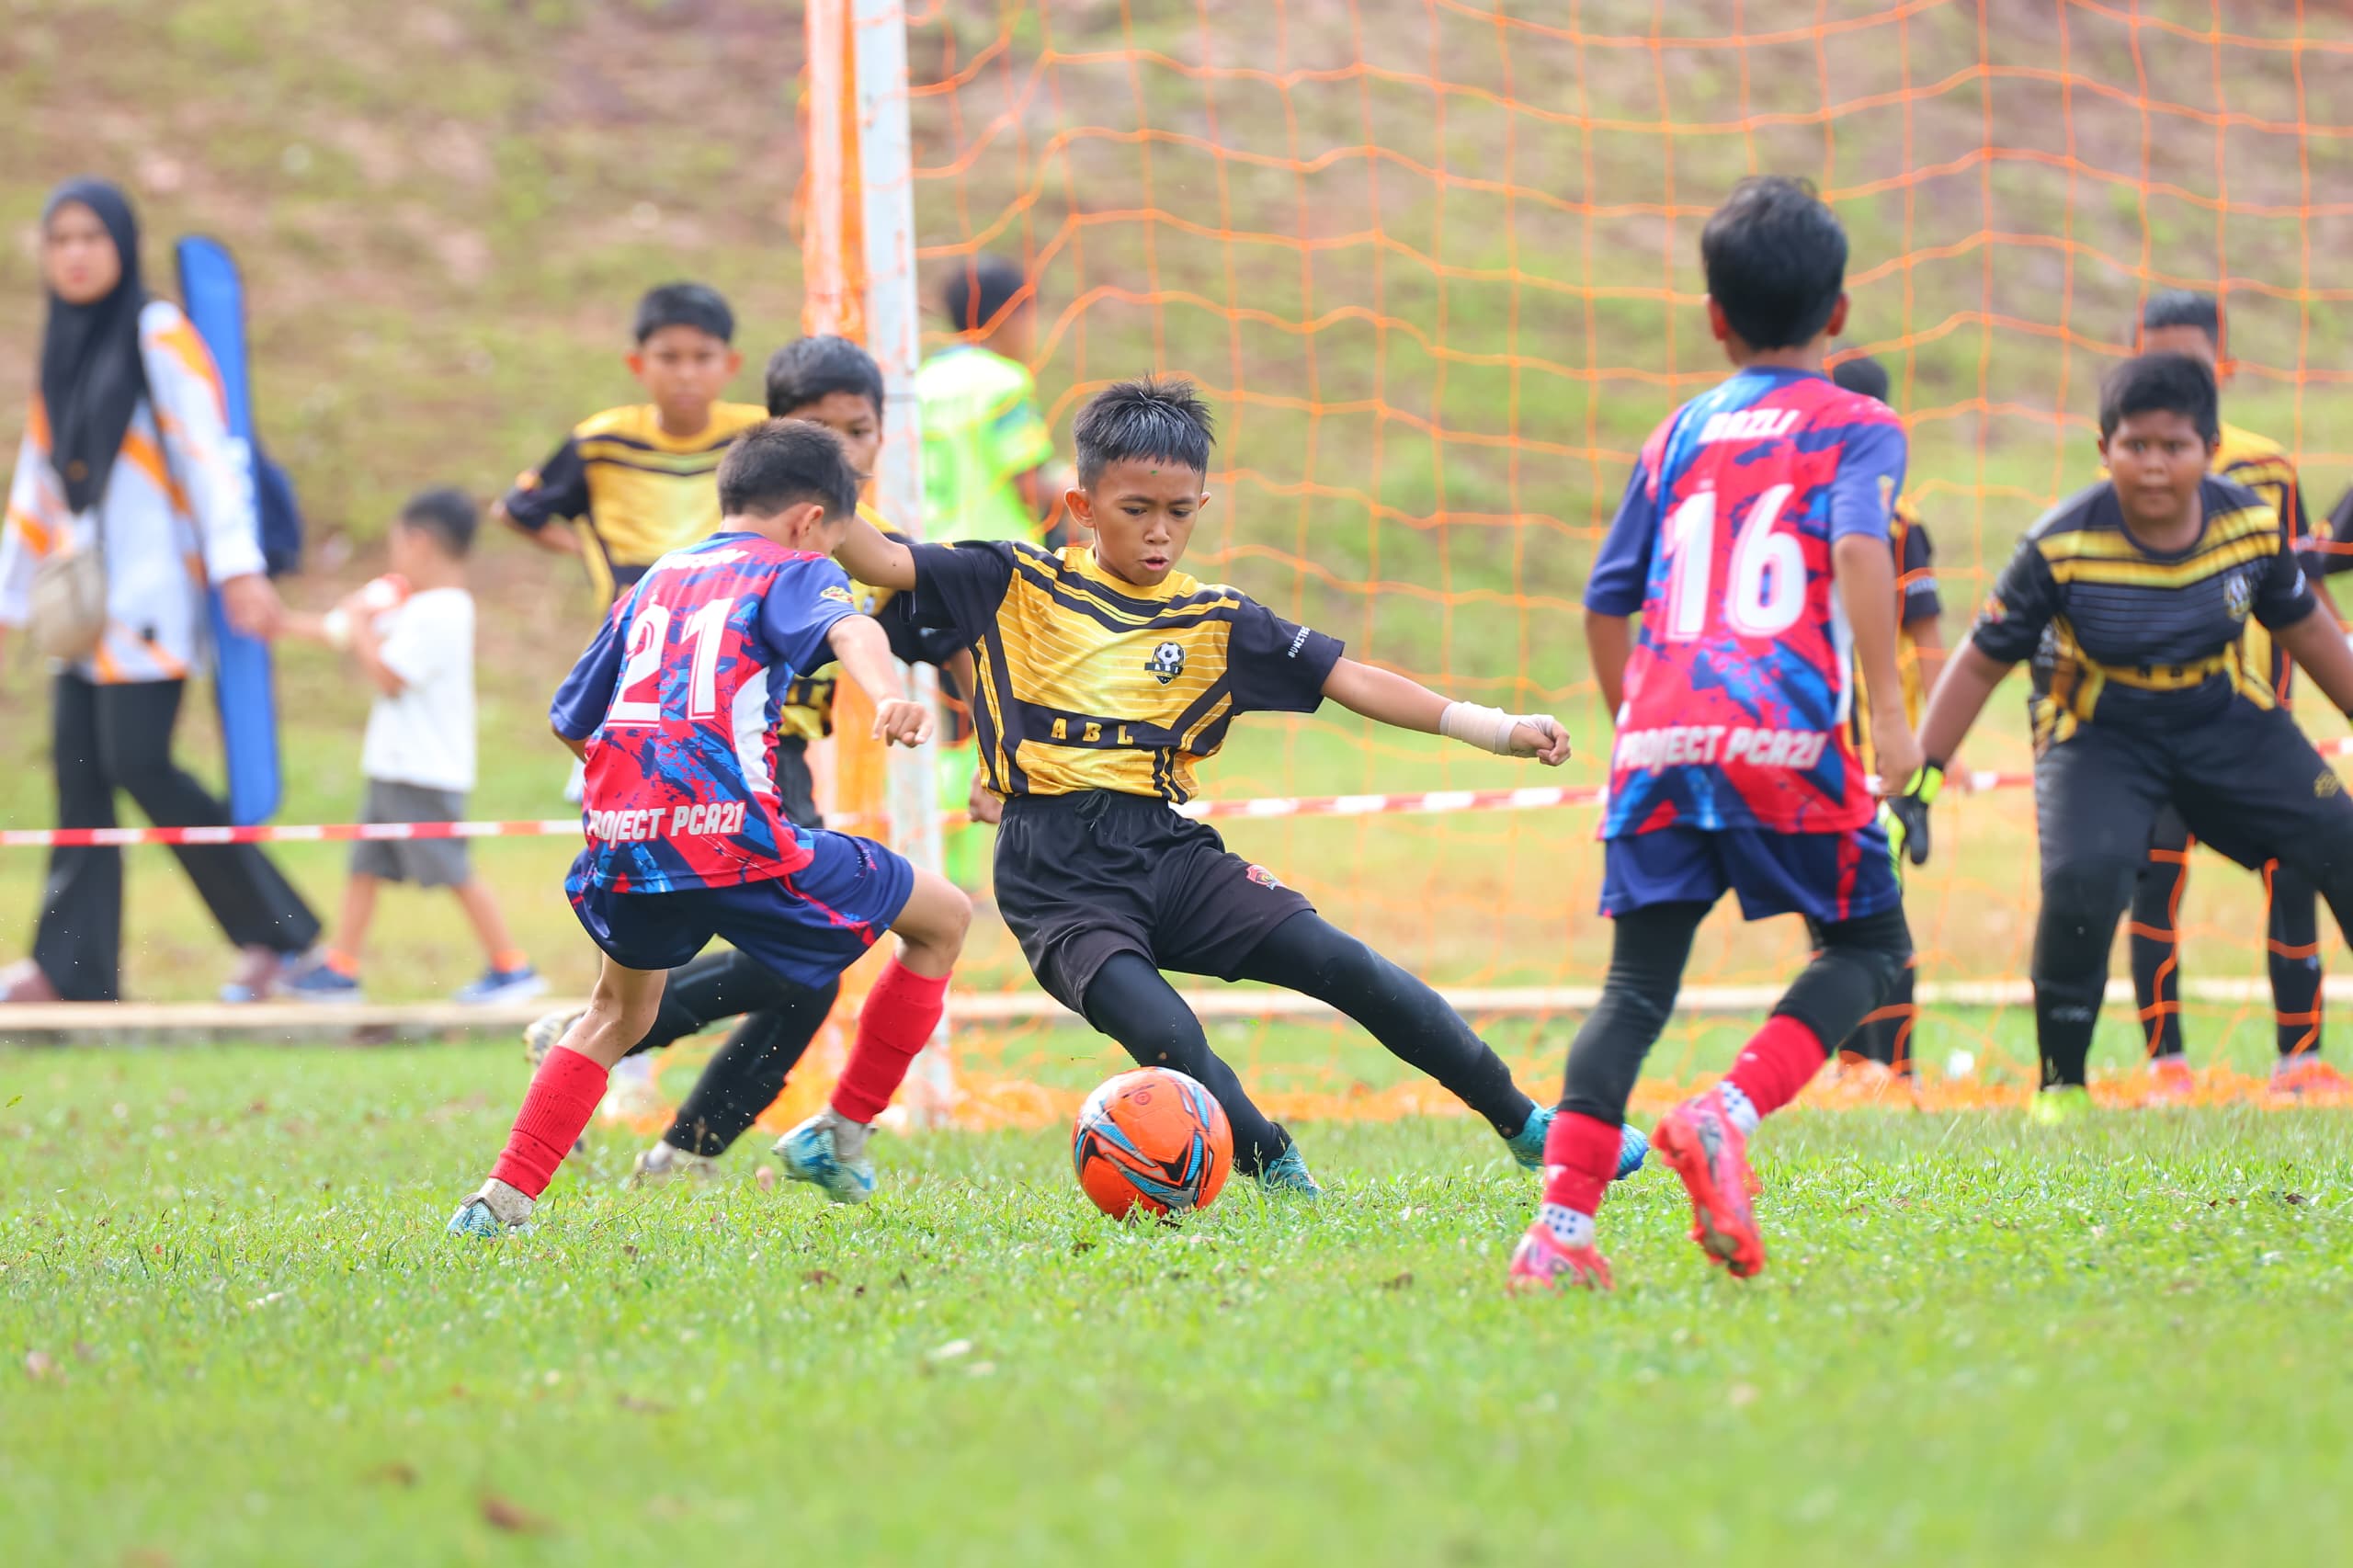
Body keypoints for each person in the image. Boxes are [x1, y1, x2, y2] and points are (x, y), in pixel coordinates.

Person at [832, 374, 1644, 1199]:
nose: (1159, 532)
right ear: (1082, 506)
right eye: (1135, 509)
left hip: (1168, 855)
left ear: (1202, 507)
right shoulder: (1012, 580)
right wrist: (812, 470)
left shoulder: (1218, 620)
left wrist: (1494, 727)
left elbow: (1351, 679)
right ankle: (1281, 1176)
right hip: (1056, 880)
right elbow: (875, 557)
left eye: (1179, 512)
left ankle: (1528, 1125)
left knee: (1348, 965)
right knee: (1171, 1040)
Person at [1508, 176, 1918, 1294]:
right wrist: (1889, 715)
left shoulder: (1676, 431)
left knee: (1634, 989)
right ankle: (1723, 1113)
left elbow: (1605, 600)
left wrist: (1637, 729)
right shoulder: (1859, 424)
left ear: (1712, 318)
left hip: (1659, 738)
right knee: (1870, 948)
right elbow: (1859, 548)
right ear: (1839, 312)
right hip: (1783, 733)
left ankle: (1558, 1235)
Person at [448, 420, 973, 1236]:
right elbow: (853, 627)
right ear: (810, 521)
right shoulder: (793, 567)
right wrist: (888, 694)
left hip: (625, 840)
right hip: (738, 834)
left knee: (614, 1015)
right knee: (943, 919)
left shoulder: (655, 579)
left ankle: (498, 1203)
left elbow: (570, 718)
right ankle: (842, 1133)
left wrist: (645, 793)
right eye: (837, 540)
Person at [1894, 351, 2353, 1121]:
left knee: (2340, 836)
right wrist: (1921, 780)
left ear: (2209, 448)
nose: (2154, 465)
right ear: (2104, 448)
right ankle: (2062, 1086)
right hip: (2098, 733)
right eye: (2136, 445)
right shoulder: (2057, 545)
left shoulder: (2248, 525)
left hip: (2219, 715)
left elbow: (2307, 629)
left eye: (2175, 446)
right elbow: (1979, 663)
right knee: (2085, 883)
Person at [0, 177, 320, 1006]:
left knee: (140, 763)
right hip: (80, 604)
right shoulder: (63, 343)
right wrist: (9, 600)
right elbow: (38, 481)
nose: (74, 254)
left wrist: (238, 569)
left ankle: (284, 939)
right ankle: (71, 970)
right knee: (79, 773)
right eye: (60, 239)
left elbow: (211, 458)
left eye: (90, 237)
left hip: (153, 598)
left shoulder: (158, 332)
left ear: (123, 244)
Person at [2120, 292, 2347, 1096]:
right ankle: (2166, 1064)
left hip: (2255, 724)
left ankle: (2300, 1058)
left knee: (2301, 866)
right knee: (2153, 876)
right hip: (2155, 722)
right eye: (2156, 361)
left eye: (2188, 362)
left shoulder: (2268, 468)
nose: (2172, 378)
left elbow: (2301, 590)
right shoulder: (2123, 469)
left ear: (2225, 367)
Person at [275, 490, 541, 1005]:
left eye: (397, 544)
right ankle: (342, 966)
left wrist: (359, 623)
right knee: (365, 865)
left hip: (424, 769)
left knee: (453, 870)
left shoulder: (444, 611)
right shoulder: (413, 604)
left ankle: (512, 967)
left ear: (419, 543)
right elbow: (339, 631)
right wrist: (279, 623)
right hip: (393, 764)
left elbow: (390, 676)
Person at [495, 281, 768, 604]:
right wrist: (592, 554)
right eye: (668, 358)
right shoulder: (601, 443)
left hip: (729, 620)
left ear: (731, 364)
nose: (686, 374)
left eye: (703, 357)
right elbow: (516, 510)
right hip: (629, 625)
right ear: (637, 364)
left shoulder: (759, 437)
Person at [1830, 353, 1949, 1077]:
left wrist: (1929, 760)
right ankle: (1853, 1063)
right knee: (1833, 903)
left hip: (1882, 755)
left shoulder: (1900, 525)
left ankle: (1893, 1065)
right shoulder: (1802, 508)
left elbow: (1928, 641)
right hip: (1819, 744)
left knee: (1878, 900)